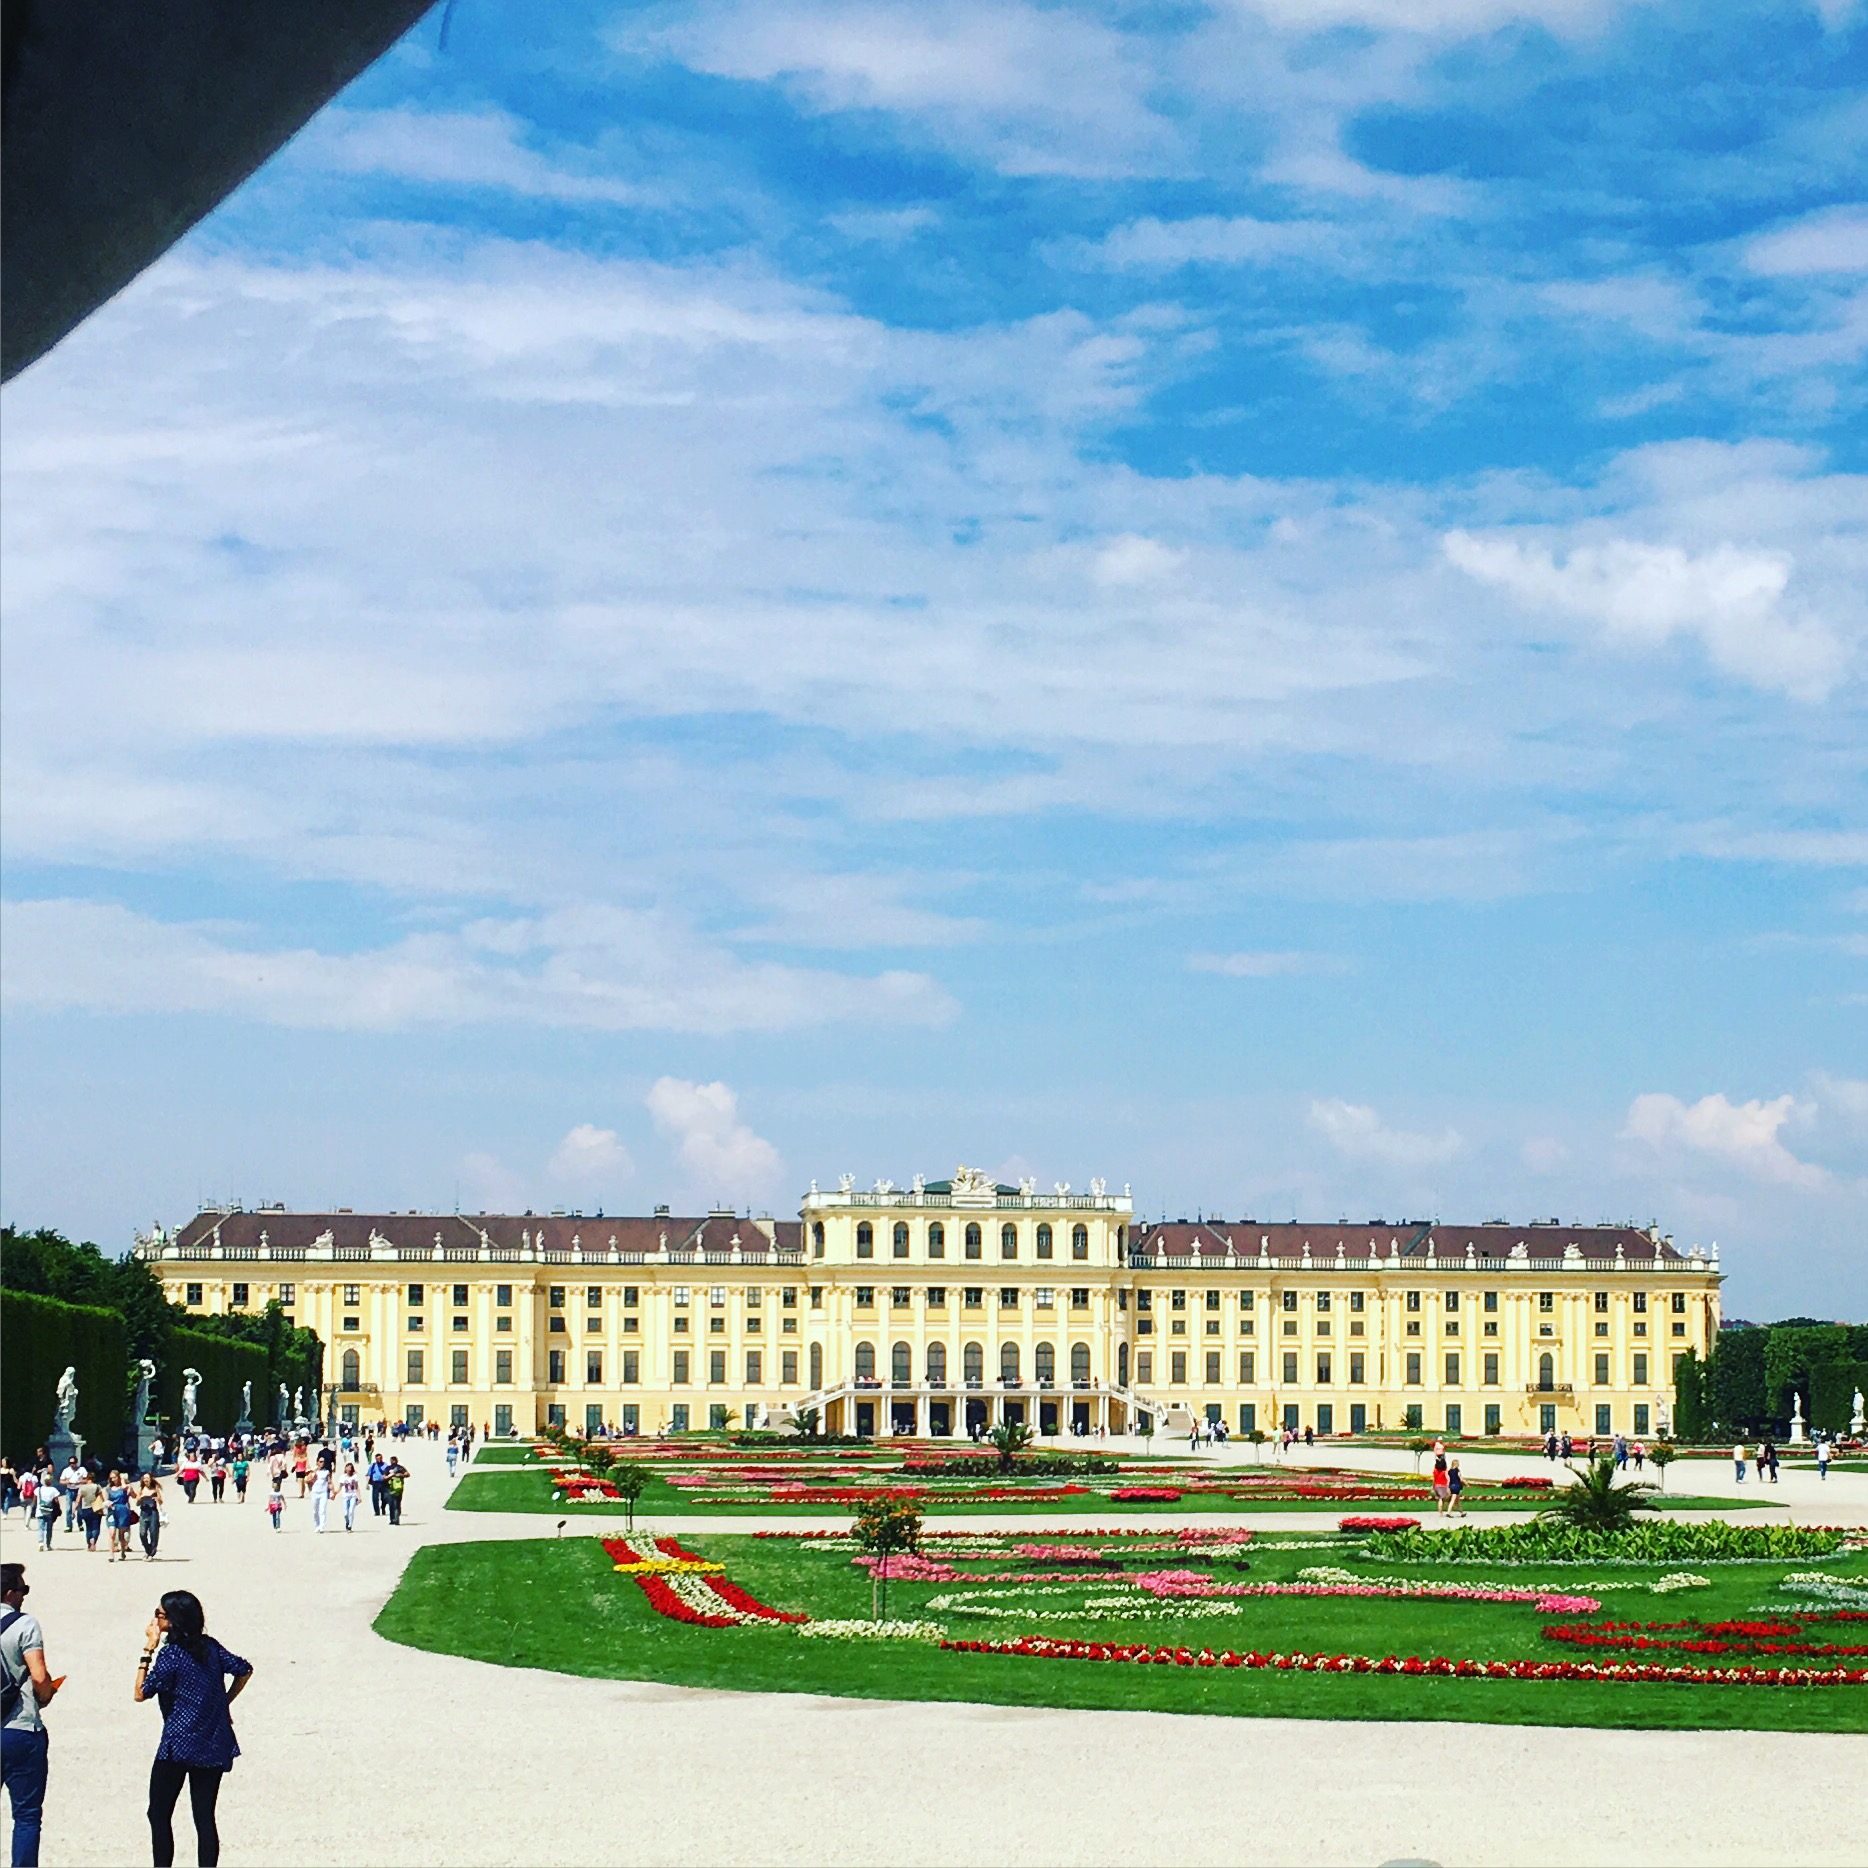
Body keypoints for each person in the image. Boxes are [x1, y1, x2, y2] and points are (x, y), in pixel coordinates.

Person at [134, 1590, 252, 1868]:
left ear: (172, 1621)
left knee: (159, 1813)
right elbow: (244, 1669)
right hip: (212, 1740)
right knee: (204, 1816)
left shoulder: (171, 1655)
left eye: (159, 1614)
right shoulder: (210, 1647)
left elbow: (140, 1692)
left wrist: (147, 1650)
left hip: (178, 1744)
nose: (155, 1618)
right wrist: (224, 1702)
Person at [2, 1562, 62, 1867]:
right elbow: (39, 1677)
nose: (24, 1596)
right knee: (26, 1817)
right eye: (22, 1590)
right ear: (10, 1593)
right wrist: (47, 1694)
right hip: (19, 1726)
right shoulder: (23, 1625)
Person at [108, 1473, 136, 1562]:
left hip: (123, 1510)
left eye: (114, 1477)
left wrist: (125, 1484)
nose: (113, 1479)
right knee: (112, 1533)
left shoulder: (126, 1487)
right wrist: (107, 1503)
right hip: (112, 1510)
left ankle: (123, 1551)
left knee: (121, 1534)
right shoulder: (109, 1488)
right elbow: (106, 1499)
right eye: (111, 1478)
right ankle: (111, 1554)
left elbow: (134, 1496)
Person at [136, 1475, 165, 1561]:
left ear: (151, 1479)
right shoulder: (141, 1489)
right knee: (142, 1533)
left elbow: (161, 1501)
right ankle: (148, 1549)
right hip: (144, 1512)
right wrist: (141, 1498)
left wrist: (156, 1498)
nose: (146, 1480)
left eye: (147, 1478)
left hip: (153, 1512)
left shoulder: (155, 1488)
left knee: (153, 1533)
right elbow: (137, 1503)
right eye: (144, 1478)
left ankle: (152, 1553)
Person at [76, 1474, 106, 1553]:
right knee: (96, 1527)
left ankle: (89, 1543)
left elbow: (78, 1499)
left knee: (88, 1527)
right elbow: (102, 1497)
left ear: (87, 1479)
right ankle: (94, 1540)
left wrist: (74, 1509)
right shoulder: (97, 1486)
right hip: (96, 1509)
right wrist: (104, 1505)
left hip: (86, 1509)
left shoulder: (82, 1488)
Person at [33, 1477, 60, 1553]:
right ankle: (48, 1545)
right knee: (49, 1529)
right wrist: (58, 1509)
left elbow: (34, 1499)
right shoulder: (53, 1490)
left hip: (40, 1511)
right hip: (49, 1511)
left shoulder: (38, 1489)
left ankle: (40, 1543)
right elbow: (56, 1501)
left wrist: (34, 1507)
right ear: (50, 1481)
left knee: (40, 1528)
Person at [338, 1464, 361, 1533]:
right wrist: (335, 1494)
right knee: (345, 1513)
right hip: (345, 1496)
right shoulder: (342, 1477)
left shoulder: (355, 1477)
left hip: (353, 1496)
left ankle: (350, 1526)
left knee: (351, 1511)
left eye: (350, 1468)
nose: (349, 1469)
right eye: (347, 1468)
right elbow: (340, 1486)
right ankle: (347, 1522)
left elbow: (356, 1487)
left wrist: (359, 1497)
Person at [309, 1463, 331, 1535]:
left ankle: (322, 1526)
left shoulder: (326, 1472)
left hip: (323, 1492)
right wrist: (313, 1477)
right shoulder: (313, 1471)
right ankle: (317, 1525)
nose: (322, 1463)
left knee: (322, 1510)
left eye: (323, 1462)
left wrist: (333, 1492)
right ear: (317, 1462)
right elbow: (308, 1481)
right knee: (315, 1510)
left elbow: (329, 1482)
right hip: (315, 1492)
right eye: (321, 1461)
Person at [385, 1458, 407, 1525]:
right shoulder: (388, 1468)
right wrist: (390, 1476)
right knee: (391, 1504)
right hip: (390, 1488)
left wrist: (400, 1475)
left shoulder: (400, 1468)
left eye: (394, 1460)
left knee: (397, 1503)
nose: (393, 1462)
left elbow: (407, 1474)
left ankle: (396, 1519)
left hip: (398, 1488)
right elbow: (384, 1477)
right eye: (393, 1460)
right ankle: (392, 1519)